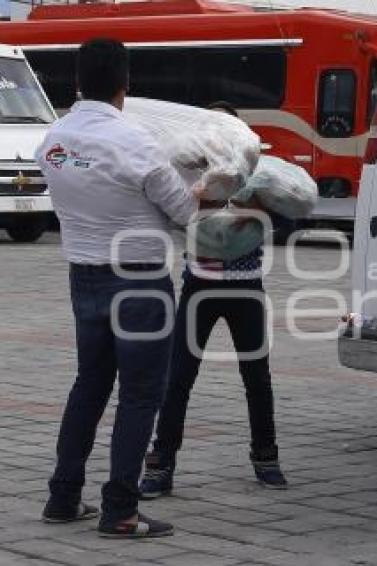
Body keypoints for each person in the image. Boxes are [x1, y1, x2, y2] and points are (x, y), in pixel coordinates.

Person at [36, 38, 199, 538]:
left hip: (83, 275)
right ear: (125, 84)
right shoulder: (138, 144)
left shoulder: (52, 141)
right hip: (140, 283)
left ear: (78, 81)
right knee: (141, 393)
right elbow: (186, 213)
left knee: (90, 384)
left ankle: (63, 497)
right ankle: (120, 510)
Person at [139, 101, 288, 498]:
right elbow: (168, 213)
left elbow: (291, 215)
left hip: (247, 289)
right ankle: (161, 464)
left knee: (257, 377)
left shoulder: (258, 174)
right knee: (178, 378)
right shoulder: (189, 174)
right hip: (199, 286)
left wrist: (257, 213)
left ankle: (266, 457)